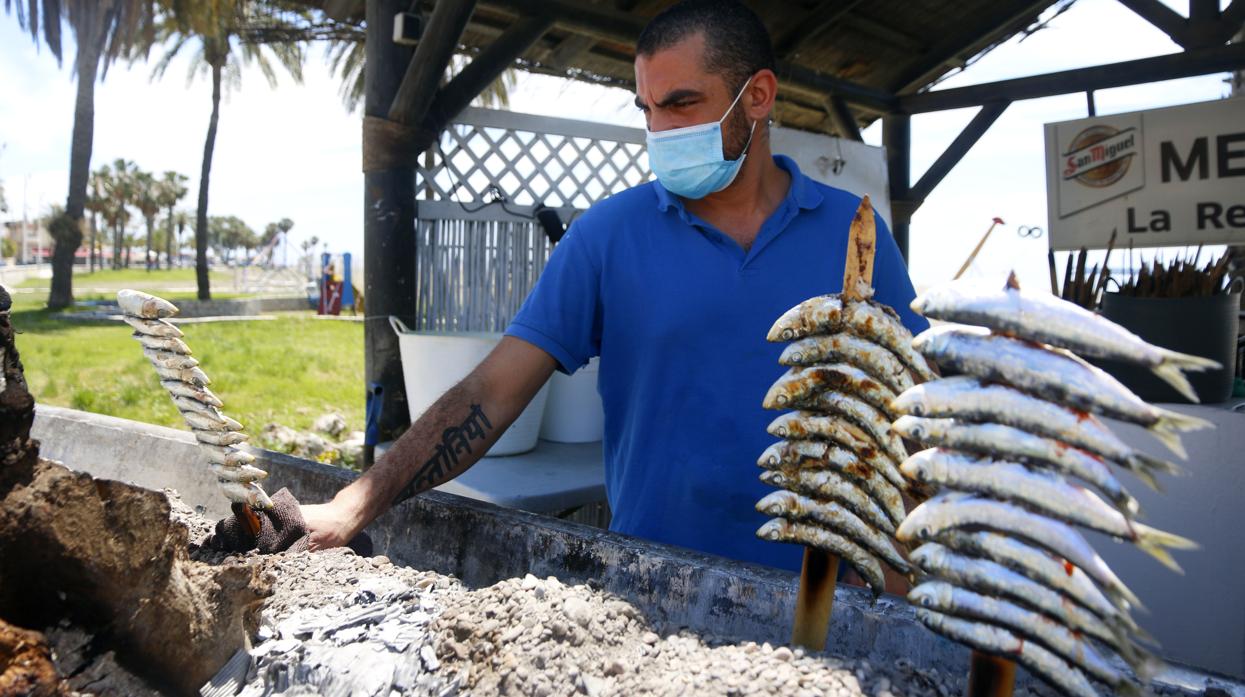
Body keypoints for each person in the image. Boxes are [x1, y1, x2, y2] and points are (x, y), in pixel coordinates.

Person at [302, 0, 927, 572]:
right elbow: (491, 392)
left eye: (681, 103)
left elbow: (913, 410)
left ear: (758, 95)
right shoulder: (606, 237)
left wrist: (906, 572)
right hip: (653, 592)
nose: (660, 130)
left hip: (829, 597)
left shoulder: (855, 236)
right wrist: (356, 503)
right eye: (647, 109)